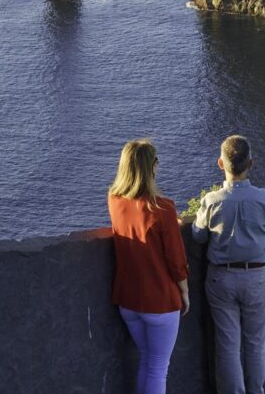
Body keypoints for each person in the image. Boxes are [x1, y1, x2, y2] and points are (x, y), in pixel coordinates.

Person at [192, 135, 265, 394]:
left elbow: (198, 236)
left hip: (221, 278)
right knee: (256, 344)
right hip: (256, 276)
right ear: (250, 163)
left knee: (227, 344)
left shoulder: (211, 201)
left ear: (221, 164)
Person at [108, 139, 190, 394]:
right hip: (160, 302)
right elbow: (176, 261)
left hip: (127, 300)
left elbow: (137, 221)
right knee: (157, 368)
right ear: (151, 167)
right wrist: (185, 292)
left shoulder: (114, 200)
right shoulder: (163, 208)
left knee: (147, 360)